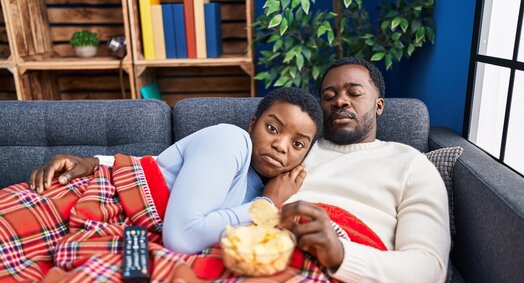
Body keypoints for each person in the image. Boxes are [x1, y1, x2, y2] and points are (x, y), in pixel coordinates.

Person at [28, 87, 323, 254]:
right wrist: (266, 206)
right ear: (251, 124)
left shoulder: (271, 187)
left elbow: (168, 167)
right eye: (272, 128)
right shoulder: (231, 140)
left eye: (297, 144)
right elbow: (182, 236)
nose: (281, 146)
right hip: (76, 205)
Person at [279, 57, 451, 283]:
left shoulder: (409, 163)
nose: (339, 101)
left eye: (355, 93)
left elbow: (429, 268)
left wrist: (340, 254)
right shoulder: (297, 149)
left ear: (378, 105)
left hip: (334, 278)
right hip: (267, 251)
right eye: (328, 96)